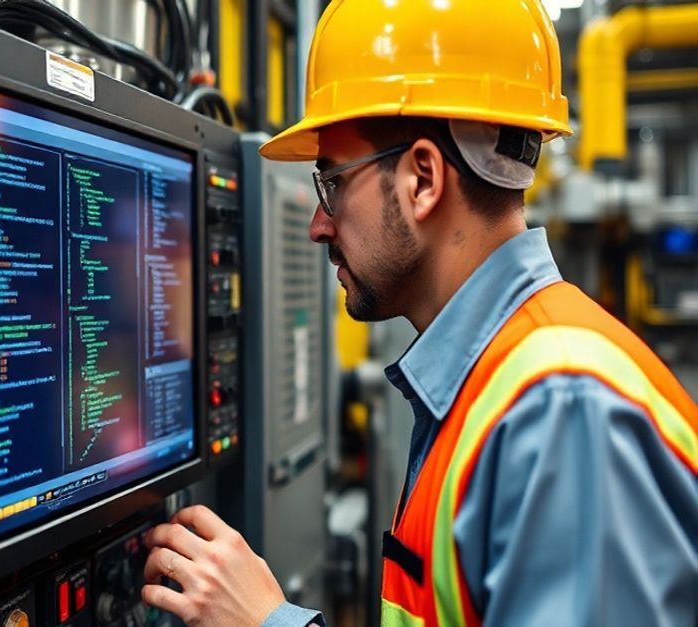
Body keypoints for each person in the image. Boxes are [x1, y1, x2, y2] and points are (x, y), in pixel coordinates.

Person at [141, 0, 698, 625]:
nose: (318, 226)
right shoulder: (499, 382)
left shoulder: (559, 414)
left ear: (424, 179)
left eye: (333, 184)